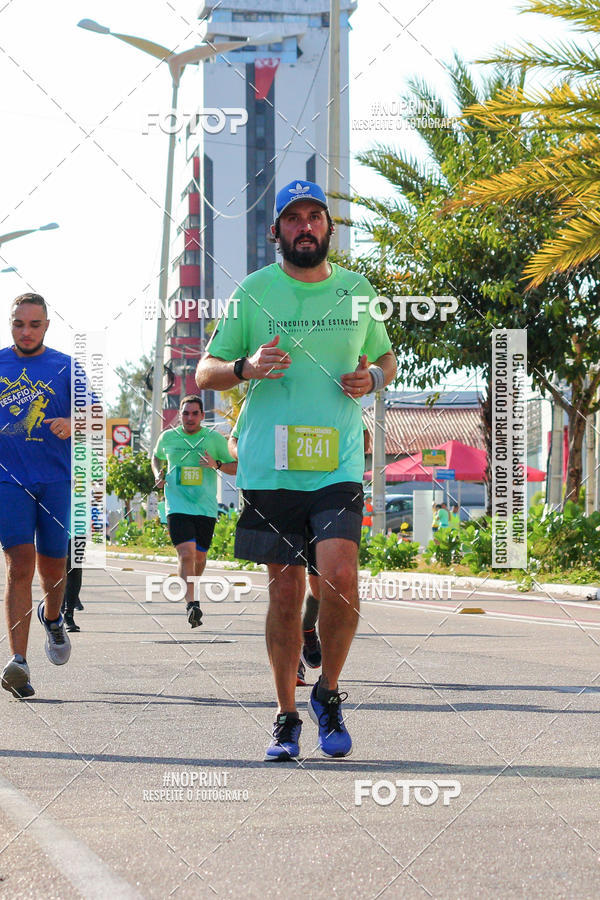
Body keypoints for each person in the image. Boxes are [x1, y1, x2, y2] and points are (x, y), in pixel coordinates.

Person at [197, 178, 396, 760]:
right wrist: (246, 364)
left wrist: (375, 379)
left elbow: (385, 356)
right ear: (277, 231)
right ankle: (286, 715)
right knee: (284, 592)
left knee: (341, 577)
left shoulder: (358, 292)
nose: (305, 226)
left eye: (315, 217)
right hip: (269, 465)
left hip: (335, 463)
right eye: (293, 218)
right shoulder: (253, 292)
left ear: (329, 229)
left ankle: (328, 692)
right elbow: (206, 372)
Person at [0, 293, 73, 699]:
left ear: (46, 325)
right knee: (19, 565)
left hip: (55, 482)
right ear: (10, 323)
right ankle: (19, 662)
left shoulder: (65, 365)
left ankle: (54, 616)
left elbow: (96, 415)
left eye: (34, 324)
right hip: (8, 481)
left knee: (53, 569)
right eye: (18, 324)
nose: (25, 331)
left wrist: (71, 420)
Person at [151, 395, 237, 628]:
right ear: (180, 414)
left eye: (195, 413)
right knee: (186, 554)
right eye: (186, 413)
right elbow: (156, 458)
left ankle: (192, 589)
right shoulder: (168, 437)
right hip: (176, 505)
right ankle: (192, 604)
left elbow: (235, 467)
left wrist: (215, 464)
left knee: (199, 557)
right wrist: (158, 474)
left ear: (201, 415)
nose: (190, 418)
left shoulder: (214, 439)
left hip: (205, 508)